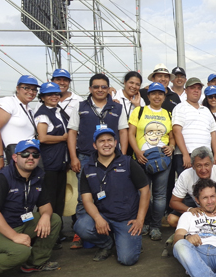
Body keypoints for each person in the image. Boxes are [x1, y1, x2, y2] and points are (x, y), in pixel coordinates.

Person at [0, 139, 62, 277]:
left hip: (19, 222)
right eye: (25, 154)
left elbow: (46, 206)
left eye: (34, 154)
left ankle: (35, 262)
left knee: (54, 219)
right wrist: (15, 237)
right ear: (15, 157)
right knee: (21, 252)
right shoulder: (2, 178)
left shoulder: (37, 176)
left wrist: (45, 216)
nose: (30, 157)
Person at [67, 74, 129, 248]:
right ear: (90, 89)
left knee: (112, 193)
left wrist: (122, 154)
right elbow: (72, 132)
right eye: (96, 87)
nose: (100, 90)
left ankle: (109, 229)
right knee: (83, 197)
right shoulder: (80, 107)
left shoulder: (117, 107)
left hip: (112, 159)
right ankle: (82, 234)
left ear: (109, 89)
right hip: (86, 158)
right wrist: (73, 157)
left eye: (103, 87)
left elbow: (123, 131)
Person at [73, 128, 151, 265]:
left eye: (109, 140)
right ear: (94, 145)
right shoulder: (88, 167)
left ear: (115, 143)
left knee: (127, 259)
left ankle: (127, 240)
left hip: (126, 219)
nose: (106, 144)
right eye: (101, 141)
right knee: (81, 226)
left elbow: (145, 190)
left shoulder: (128, 162)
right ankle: (107, 243)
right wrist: (98, 218)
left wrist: (140, 220)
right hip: (103, 216)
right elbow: (86, 199)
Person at [128, 82, 174, 241]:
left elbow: (172, 135)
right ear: (148, 96)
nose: (157, 96)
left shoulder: (168, 114)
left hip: (162, 159)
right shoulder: (139, 111)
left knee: (160, 195)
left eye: (160, 93)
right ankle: (145, 222)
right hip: (142, 158)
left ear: (164, 96)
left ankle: (155, 226)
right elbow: (131, 134)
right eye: (153, 93)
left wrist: (172, 146)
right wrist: (137, 152)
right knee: (143, 193)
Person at [169, 147, 216, 228]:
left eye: (206, 165)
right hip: (201, 212)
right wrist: (190, 209)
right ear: (192, 166)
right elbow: (173, 202)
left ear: (212, 163)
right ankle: (187, 232)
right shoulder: (185, 175)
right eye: (199, 165)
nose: (203, 170)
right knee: (172, 219)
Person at [33, 82, 69, 246]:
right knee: (50, 201)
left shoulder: (58, 111)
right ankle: (48, 237)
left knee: (59, 200)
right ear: (42, 97)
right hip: (49, 163)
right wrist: (62, 138)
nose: (54, 97)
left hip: (60, 162)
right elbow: (42, 137)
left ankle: (57, 232)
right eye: (50, 95)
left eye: (57, 94)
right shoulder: (42, 114)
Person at [171, 77, 216, 174]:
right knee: (188, 187)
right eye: (193, 88)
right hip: (186, 155)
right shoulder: (180, 108)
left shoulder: (206, 110)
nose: (196, 91)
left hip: (206, 155)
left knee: (205, 187)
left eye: (198, 88)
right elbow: (177, 131)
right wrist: (185, 154)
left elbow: (213, 134)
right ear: (186, 90)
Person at [0, 75, 40, 162]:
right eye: (26, 88)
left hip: (28, 158)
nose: (31, 92)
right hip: (11, 157)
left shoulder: (30, 110)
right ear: (17, 89)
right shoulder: (7, 102)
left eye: (34, 89)